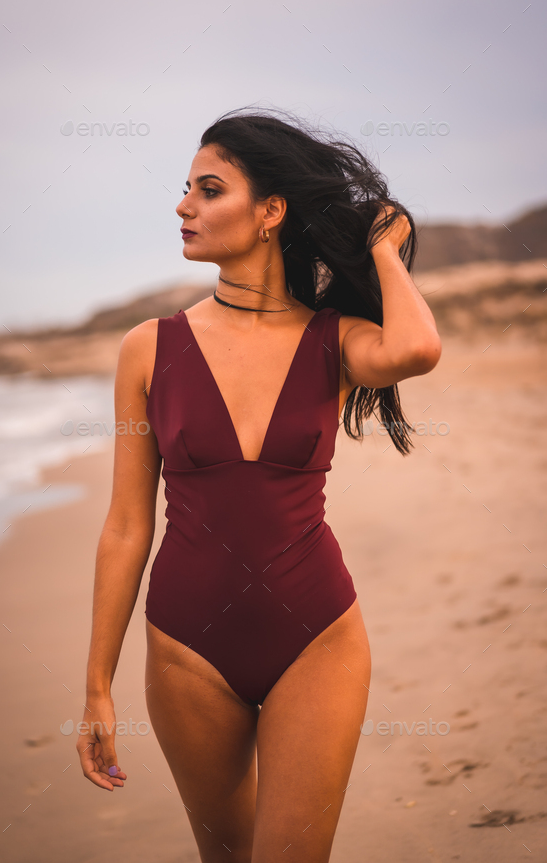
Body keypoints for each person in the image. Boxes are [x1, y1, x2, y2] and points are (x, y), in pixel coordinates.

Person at [76, 109, 441, 862]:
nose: (184, 205)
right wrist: (97, 685)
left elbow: (416, 345)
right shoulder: (148, 349)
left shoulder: (334, 340)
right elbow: (125, 525)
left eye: (209, 190)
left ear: (272, 211)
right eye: (187, 189)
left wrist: (382, 246)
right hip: (185, 649)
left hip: (318, 637)